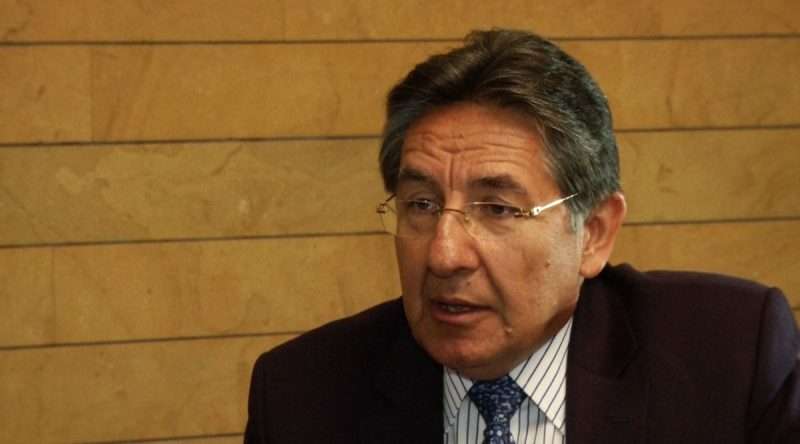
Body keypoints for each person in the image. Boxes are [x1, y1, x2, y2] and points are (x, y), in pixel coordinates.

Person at [244, 29, 799, 443]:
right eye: (421, 205)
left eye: (498, 209)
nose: (444, 254)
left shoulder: (728, 359)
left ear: (594, 233)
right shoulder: (301, 399)